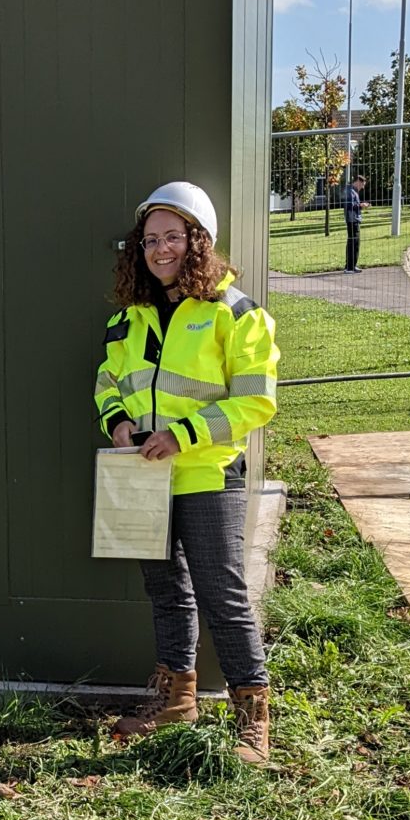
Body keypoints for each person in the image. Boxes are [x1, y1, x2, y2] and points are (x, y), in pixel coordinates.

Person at [95, 179, 280, 764]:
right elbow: (107, 380)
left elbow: (256, 401)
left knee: (221, 593)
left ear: (199, 241)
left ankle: (253, 717)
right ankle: (176, 700)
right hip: (142, 476)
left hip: (205, 474)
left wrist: (183, 435)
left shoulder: (237, 314)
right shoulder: (132, 315)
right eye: (150, 239)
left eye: (173, 236)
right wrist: (118, 424)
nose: (160, 249)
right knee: (165, 589)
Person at [343, 173, 366, 273]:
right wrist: (361, 206)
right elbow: (350, 207)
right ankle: (349, 267)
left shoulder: (353, 191)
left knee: (355, 243)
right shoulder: (350, 192)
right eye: (362, 185)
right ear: (358, 182)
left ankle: (352, 265)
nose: (362, 187)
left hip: (354, 219)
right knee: (353, 243)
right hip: (352, 220)